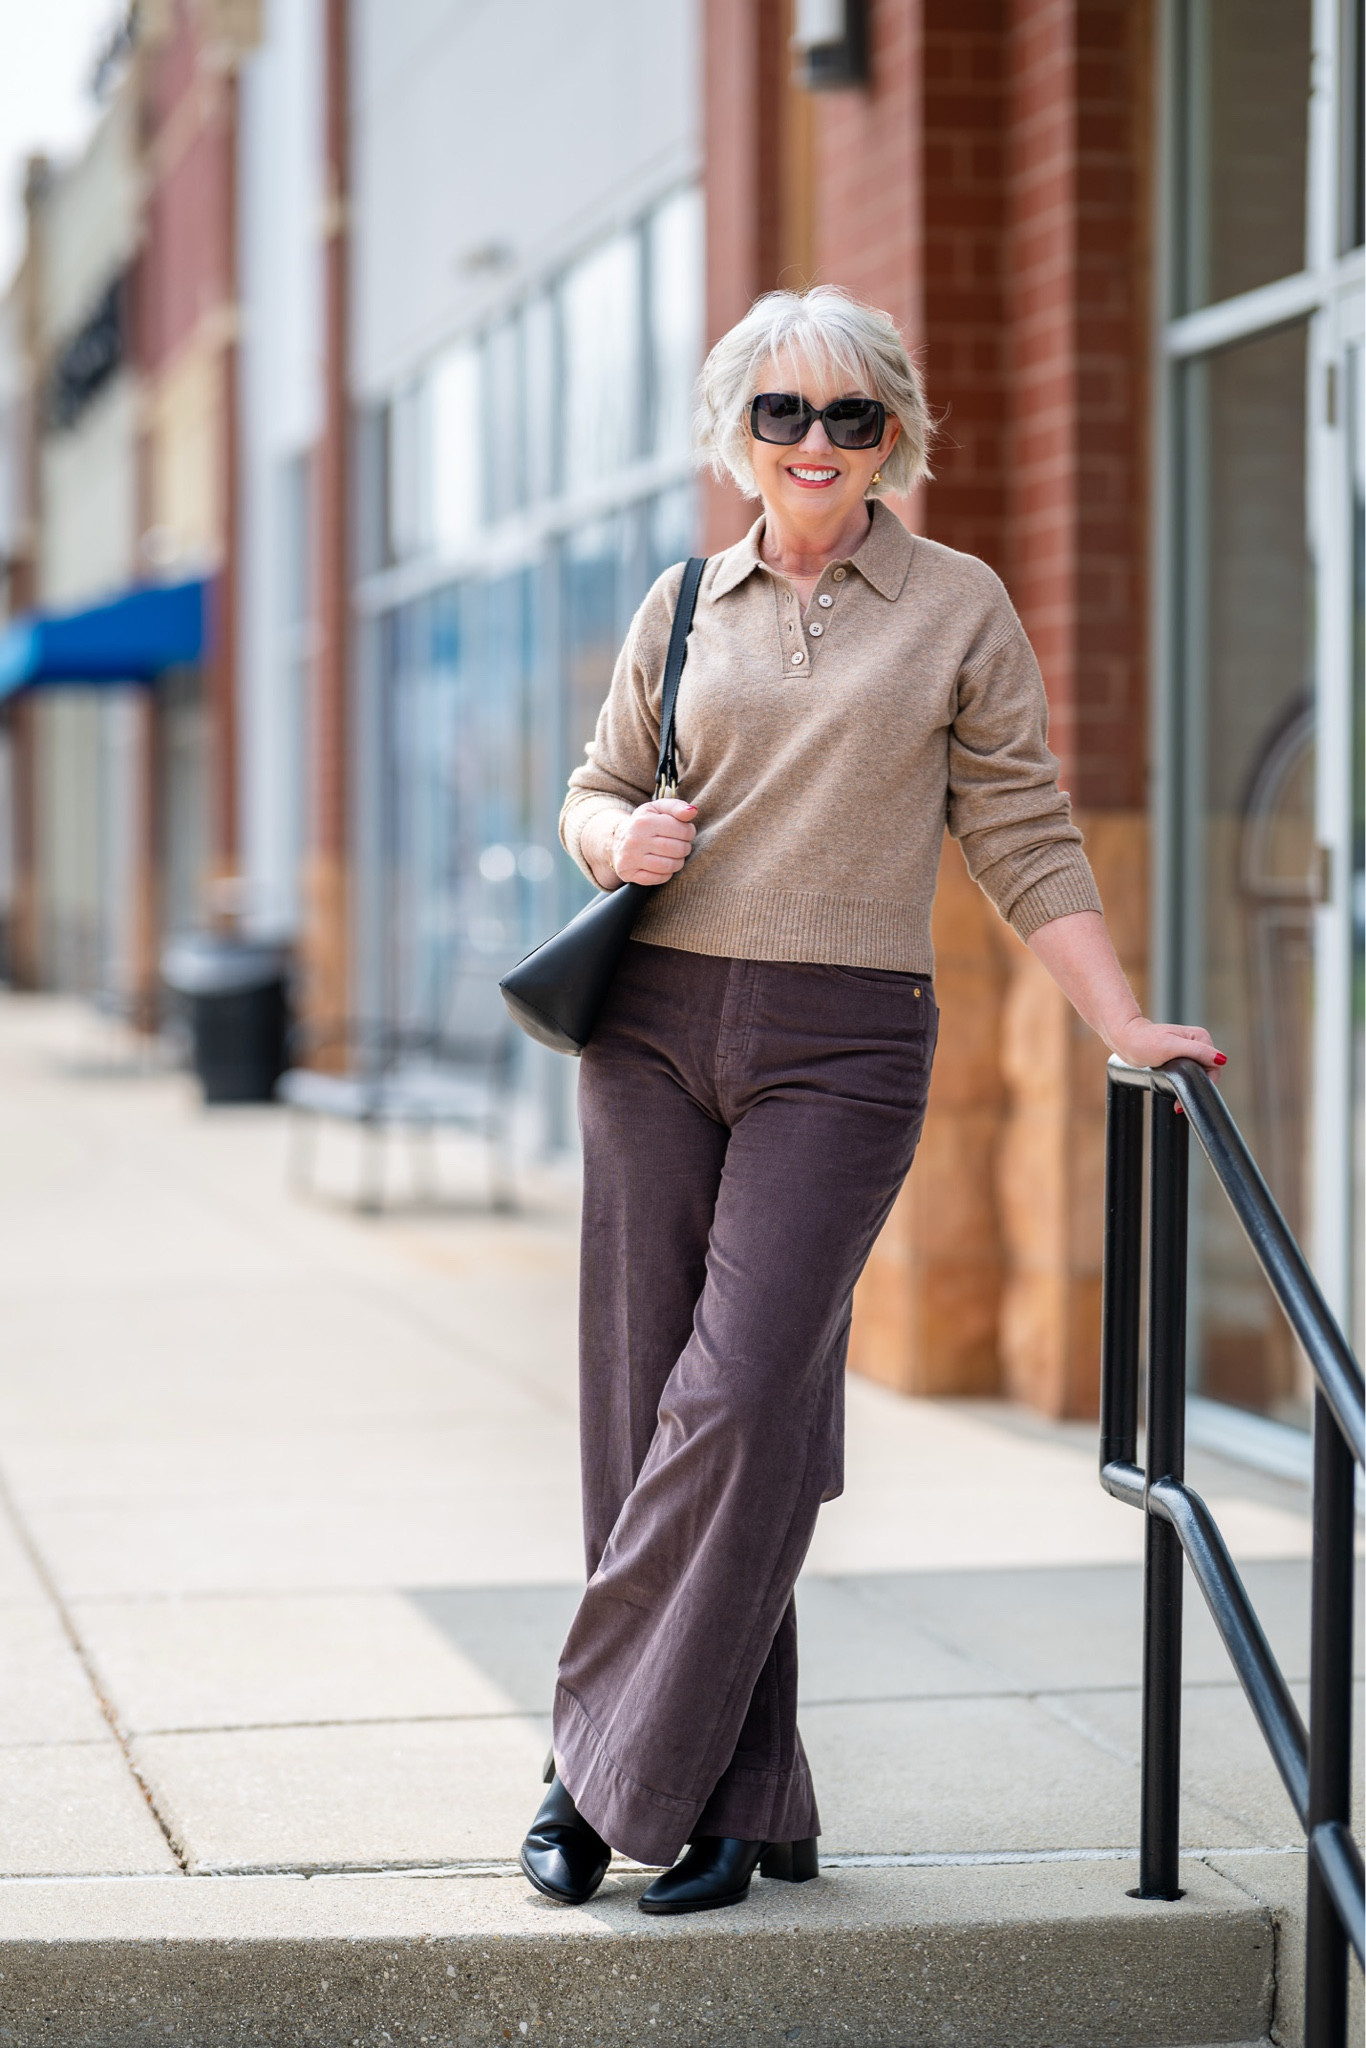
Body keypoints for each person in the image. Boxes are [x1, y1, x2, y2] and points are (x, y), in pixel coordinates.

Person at [519, 286, 1225, 1917]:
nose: (816, 442)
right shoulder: (682, 600)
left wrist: (1119, 1019)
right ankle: (740, 1797)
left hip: (840, 1048)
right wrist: (611, 839)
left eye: (851, 415)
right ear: (737, 435)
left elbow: (1021, 827)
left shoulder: (956, 604)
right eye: (782, 413)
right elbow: (593, 786)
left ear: (893, 432)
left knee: (741, 1397)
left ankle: (589, 1772)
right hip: (651, 1030)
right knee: (648, 1410)